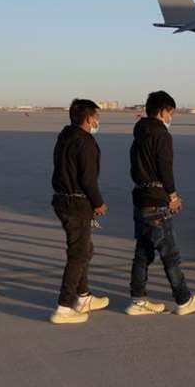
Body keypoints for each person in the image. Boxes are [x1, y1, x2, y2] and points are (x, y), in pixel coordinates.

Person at [126, 91, 195, 316]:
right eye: (170, 112)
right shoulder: (161, 135)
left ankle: (138, 299)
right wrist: (172, 195)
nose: (170, 117)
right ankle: (184, 299)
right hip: (156, 200)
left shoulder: (139, 133)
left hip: (141, 196)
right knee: (169, 253)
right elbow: (165, 168)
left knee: (143, 252)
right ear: (162, 111)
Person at [50, 99, 109, 324]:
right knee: (78, 255)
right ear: (87, 118)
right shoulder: (85, 142)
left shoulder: (64, 137)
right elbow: (88, 179)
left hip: (62, 201)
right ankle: (64, 307)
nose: (97, 121)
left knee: (85, 249)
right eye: (96, 117)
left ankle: (83, 296)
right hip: (77, 204)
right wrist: (98, 203)